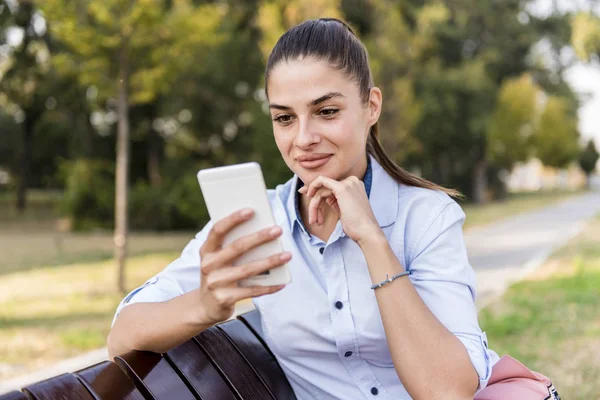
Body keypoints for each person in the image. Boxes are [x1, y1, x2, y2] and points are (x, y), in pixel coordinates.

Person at [108, 18, 497, 399]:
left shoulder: (427, 216)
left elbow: (448, 391)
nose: (304, 139)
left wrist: (373, 241)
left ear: (371, 106)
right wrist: (207, 304)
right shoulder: (256, 222)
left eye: (326, 111)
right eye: (284, 118)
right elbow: (121, 336)